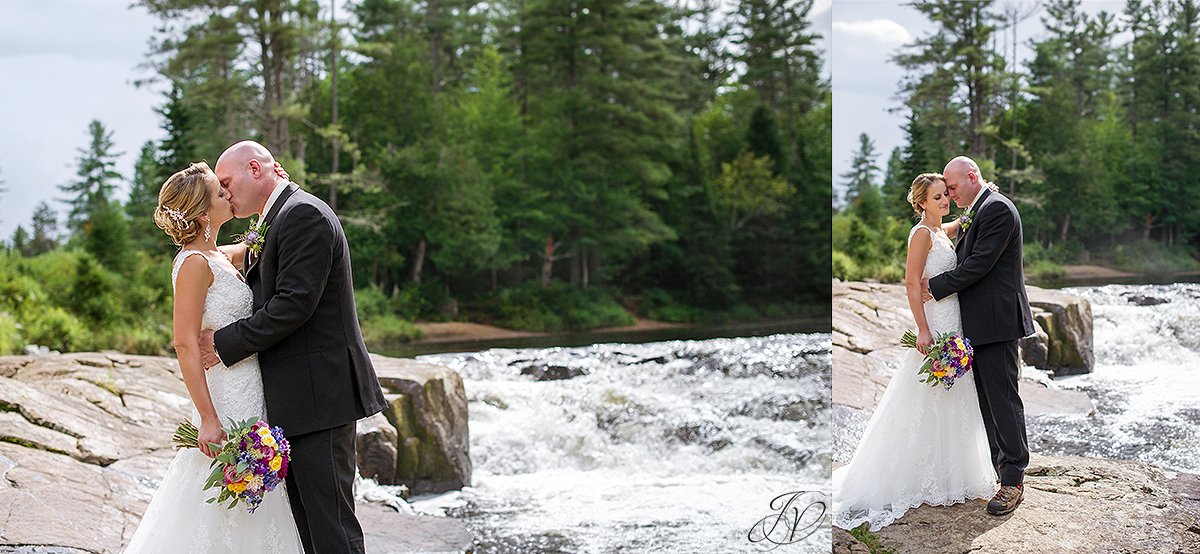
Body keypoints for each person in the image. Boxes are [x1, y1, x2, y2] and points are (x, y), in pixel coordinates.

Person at [198, 140, 388, 553]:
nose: (225, 193)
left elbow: (293, 304)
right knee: (308, 530)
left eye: (227, 182)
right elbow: (264, 269)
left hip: (321, 397)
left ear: (256, 169)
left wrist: (223, 343)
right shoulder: (281, 216)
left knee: (332, 529)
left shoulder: (303, 214)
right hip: (302, 400)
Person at [124, 161, 305, 552]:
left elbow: (262, 238)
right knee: (217, 504)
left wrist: (278, 187)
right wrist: (207, 417)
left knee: (258, 502)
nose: (228, 192)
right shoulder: (192, 264)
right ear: (205, 212)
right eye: (219, 190)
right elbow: (185, 344)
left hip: (253, 392)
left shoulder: (220, 256)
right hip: (224, 401)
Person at [832, 172, 996, 531]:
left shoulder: (939, 230)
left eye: (946, 195)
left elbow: (958, 223)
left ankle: (951, 473)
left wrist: (984, 195)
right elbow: (910, 282)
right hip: (936, 322)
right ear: (921, 202)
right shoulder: (922, 234)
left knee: (953, 395)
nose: (944, 201)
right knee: (927, 393)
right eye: (937, 197)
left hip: (954, 320)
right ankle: (914, 476)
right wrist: (922, 328)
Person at [922, 156, 1035, 516]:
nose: (950, 194)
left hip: (998, 323)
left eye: (953, 188)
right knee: (987, 402)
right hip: (980, 324)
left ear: (973, 177)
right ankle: (1001, 472)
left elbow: (979, 264)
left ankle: (1014, 480)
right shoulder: (979, 207)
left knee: (1003, 400)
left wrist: (934, 286)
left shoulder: (998, 209)